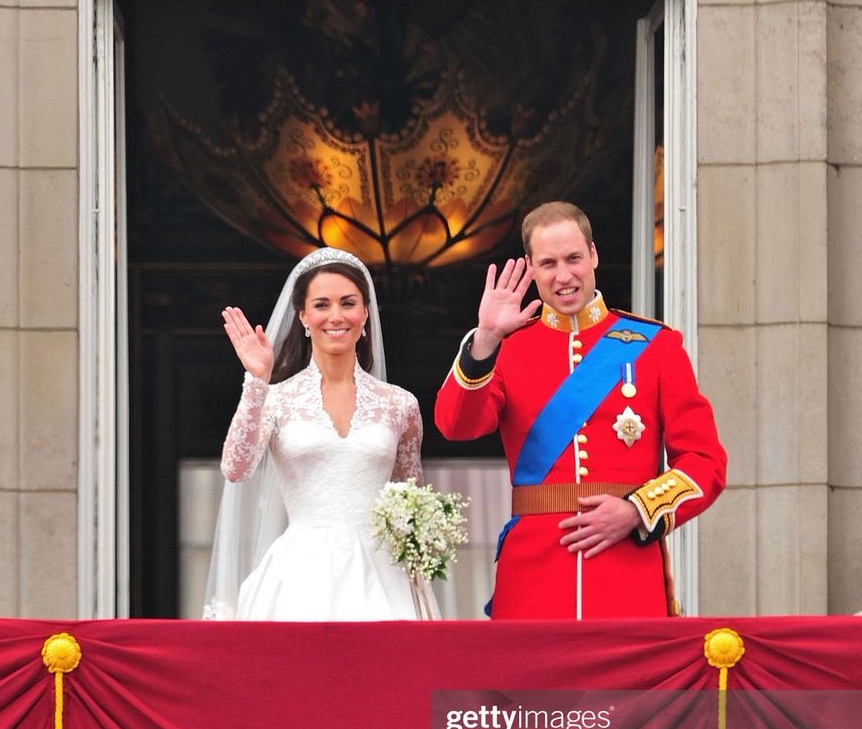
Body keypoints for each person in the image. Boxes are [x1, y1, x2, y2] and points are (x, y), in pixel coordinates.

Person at [434, 202, 726, 619]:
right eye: (548, 263)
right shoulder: (505, 348)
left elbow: (704, 460)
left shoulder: (656, 345)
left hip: (625, 569)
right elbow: (456, 426)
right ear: (532, 269)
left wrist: (637, 510)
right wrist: (484, 340)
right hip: (533, 576)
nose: (563, 275)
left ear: (593, 256)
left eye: (573, 258)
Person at [203, 246, 434, 621]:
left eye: (348, 303)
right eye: (322, 305)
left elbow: (412, 499)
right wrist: (257, 381)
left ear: (365, 314)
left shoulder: (400, 404)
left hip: (384, 574)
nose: (336, 316)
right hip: (299, 573)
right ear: (304, 317)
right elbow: (235, 468)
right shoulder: (276, 399)